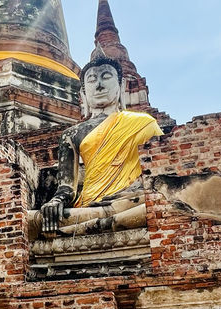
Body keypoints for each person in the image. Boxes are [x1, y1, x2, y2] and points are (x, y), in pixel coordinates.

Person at [39, 44, 162, 236]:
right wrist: (55, 202)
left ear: (121, 86)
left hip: (133, 201)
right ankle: (105, 222)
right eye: (91, 80)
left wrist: (135, 192)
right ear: (83, 93)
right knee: (37, 220)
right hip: (89, 207)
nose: (99, 85)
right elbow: (67, 188)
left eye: (106, 77)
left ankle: (99, 224)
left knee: (160, 204)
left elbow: (158, 171)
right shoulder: (72, 134)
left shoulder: (144, 123)